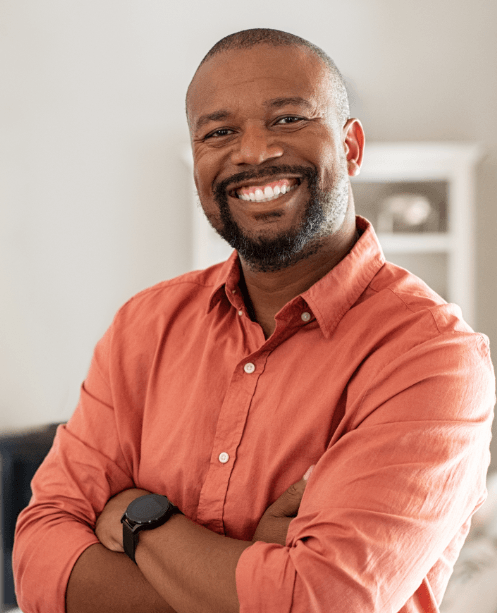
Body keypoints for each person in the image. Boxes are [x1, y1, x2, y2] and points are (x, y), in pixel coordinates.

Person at [13, 28, 495, 613]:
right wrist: (253, 571)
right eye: (219, 132)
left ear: (351, 148)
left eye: (288, 120)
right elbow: (38, 562)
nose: (253, 152)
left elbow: (321, 600)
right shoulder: (143, 327)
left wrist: (143, 520)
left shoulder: (432, 358)